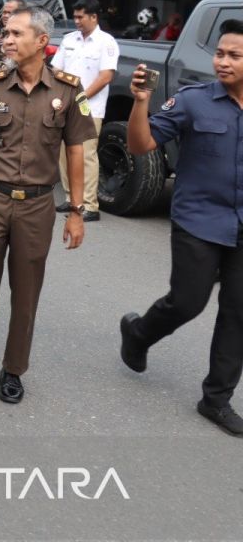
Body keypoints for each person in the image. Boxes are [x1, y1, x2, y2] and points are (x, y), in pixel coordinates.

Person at [0, 4, 96, 415]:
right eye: (6, 34)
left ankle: (13, 370)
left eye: (15, 34)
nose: (6, 40)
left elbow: (75, 151)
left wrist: (76, 211)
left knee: (26, 294)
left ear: (41, 42)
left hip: (37, 206)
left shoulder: (67, 90)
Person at [119, 22, 243, 437]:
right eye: (220, 53)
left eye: (234, 56)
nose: (223, 61)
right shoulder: (194, 102)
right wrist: (140, 102)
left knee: (237, 315)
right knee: (188, 302)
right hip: (199, 223)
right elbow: (140, 146)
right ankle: (139, 333)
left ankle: (216, 400)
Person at [50, 0, 119, 222]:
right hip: (65, 105)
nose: (76, 21)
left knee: (86, 155)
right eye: (75, 16)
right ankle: (72, 199)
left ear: (94, 17)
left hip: (90, 108)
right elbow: (56, 69)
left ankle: (89, 205)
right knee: (64, 154)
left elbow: (106, 76)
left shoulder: (106, 42)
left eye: (81, 17)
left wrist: (78, 97)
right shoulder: (69, 39)